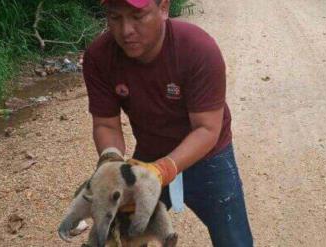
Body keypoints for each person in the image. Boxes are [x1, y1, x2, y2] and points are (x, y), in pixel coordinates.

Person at [82, 0, 253, 246]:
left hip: (209, 157)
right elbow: (106, 125)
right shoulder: (100, 56)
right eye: (115, 18)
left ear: (163, 7)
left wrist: (161, 172)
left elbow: (207, 129)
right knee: (120, 234)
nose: (126, 30)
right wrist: (111, 162)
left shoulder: (197, 49)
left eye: (137, 16)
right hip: (150, 156)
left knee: (234, 240)